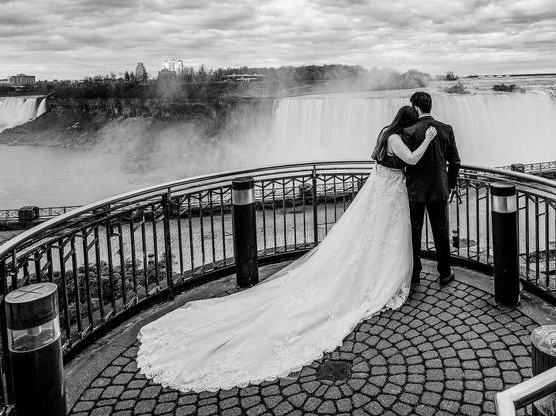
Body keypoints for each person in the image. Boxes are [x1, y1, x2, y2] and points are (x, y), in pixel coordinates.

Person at [136, 105, 437, 392]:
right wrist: (427, 140)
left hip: (386, 192)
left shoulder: (387, 132)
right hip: (388, 193)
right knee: (377, 239)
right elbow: (410, 160)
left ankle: (380, 273)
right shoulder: (398, 138)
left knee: (376, 240)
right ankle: (378, 280)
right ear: (406, 121)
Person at [403, 91, 461, 286]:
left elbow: (405, 161)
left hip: (415, 190)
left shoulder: (409, 131)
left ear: (416, 108)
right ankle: (445, 273)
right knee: (441, 232)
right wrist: (450, 184)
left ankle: (415, 275)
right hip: (439, 189)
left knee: (414, 234)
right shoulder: (446, 129)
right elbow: (455, 161)